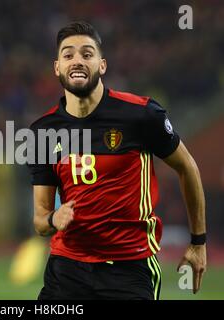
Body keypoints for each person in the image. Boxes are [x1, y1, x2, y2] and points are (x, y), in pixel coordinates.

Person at [27, 21, 206, 300]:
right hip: (67, 269)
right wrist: (54, 217)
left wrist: (198, 241)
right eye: (68, 55)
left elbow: (187, 168)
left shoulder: (141, 115)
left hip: (129, 269)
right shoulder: (42, 133)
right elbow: (40, 220)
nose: (77, 61)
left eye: (87, 54)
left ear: (102, 65)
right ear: (57, 67)